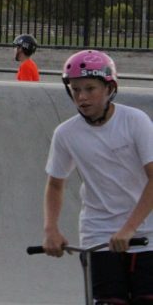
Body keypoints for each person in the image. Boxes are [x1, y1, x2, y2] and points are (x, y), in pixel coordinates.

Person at [41, 49, 153, 303]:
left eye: (90, 88)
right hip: (98, 234)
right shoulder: (66, 133)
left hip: (146, 233)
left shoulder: (135, 122)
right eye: (75, 89)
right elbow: (55, 184)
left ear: (109, 87)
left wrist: (129, 229)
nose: (81, 97)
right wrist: (51, 230)